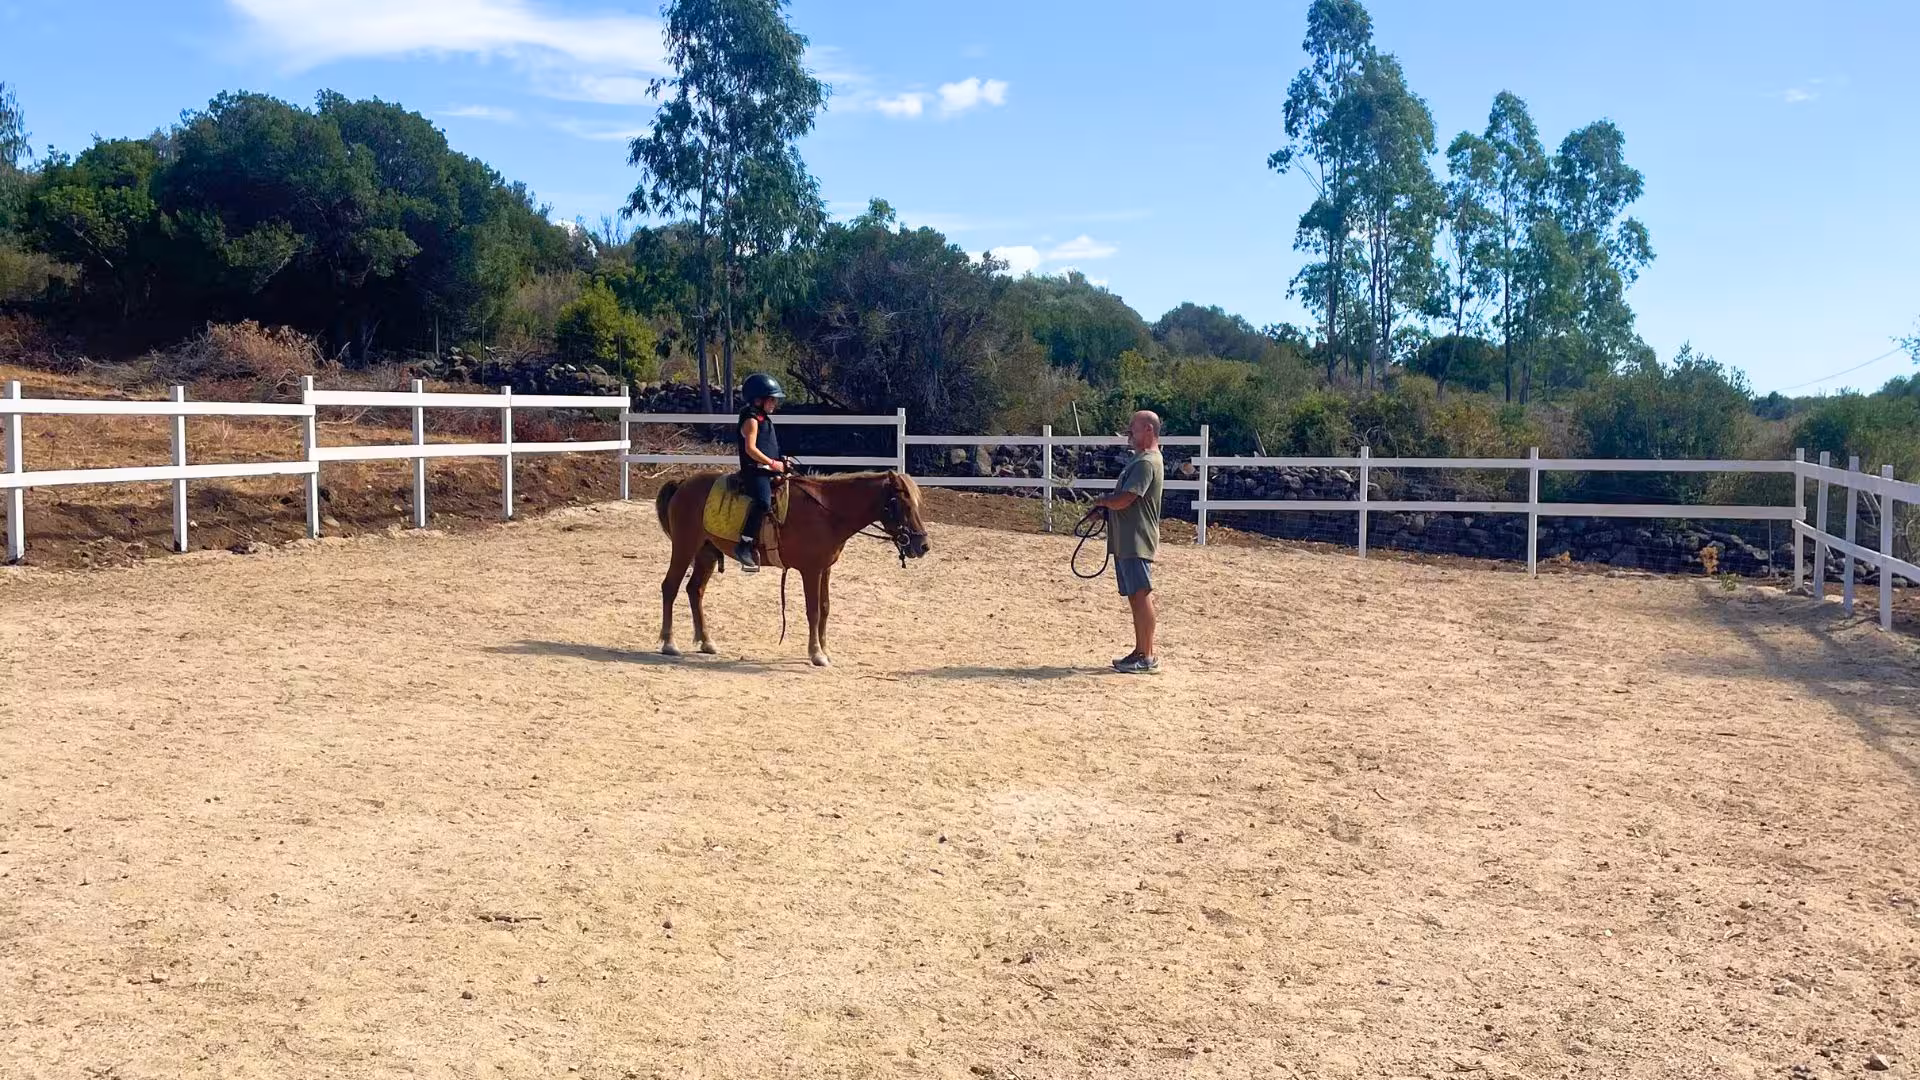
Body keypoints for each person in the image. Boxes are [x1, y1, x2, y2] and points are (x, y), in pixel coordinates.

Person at [1084, 410, 1164, 673]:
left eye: (1134, 429)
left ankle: (1147, 655)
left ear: (1148, 430)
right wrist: (1105, 509)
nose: (1130, 434)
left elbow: (1127, 498)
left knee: (1140, 596)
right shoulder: (1142, 460)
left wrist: (1103, 502)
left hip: (1136, 539)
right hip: (1129, 539)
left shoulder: (1145, 463)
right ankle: (1141, 651)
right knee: (1135, 597)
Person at [734, 372, 786, 572]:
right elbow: (751, 449)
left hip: (768, 470)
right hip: (755, 473)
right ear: (758, 400)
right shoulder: (752, 420)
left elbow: (768, 445)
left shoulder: (764, 418)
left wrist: (782, 461)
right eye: (771, 399)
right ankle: (744, 545)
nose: (774, 403)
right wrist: (773, 463)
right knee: (763, 502)